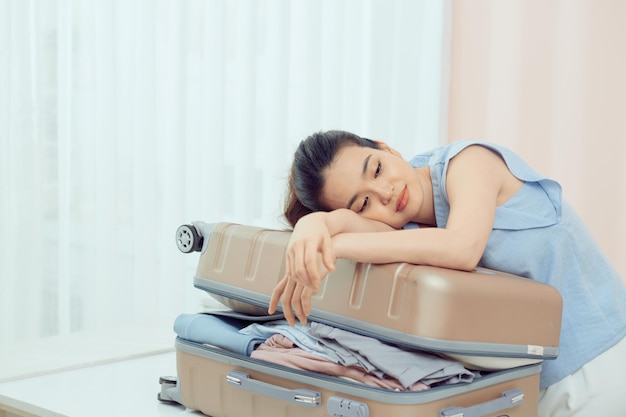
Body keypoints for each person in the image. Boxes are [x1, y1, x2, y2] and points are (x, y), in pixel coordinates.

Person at [267, 130, 626, 416]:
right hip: (529, 382)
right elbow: (346, 223)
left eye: (376, 169)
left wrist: (333, 246)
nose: (385, 192)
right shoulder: (402, 229)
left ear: (386, 148)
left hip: (600, 362)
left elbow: (462, 248)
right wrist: (314, 225)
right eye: (364, 203)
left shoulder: (468, 162)